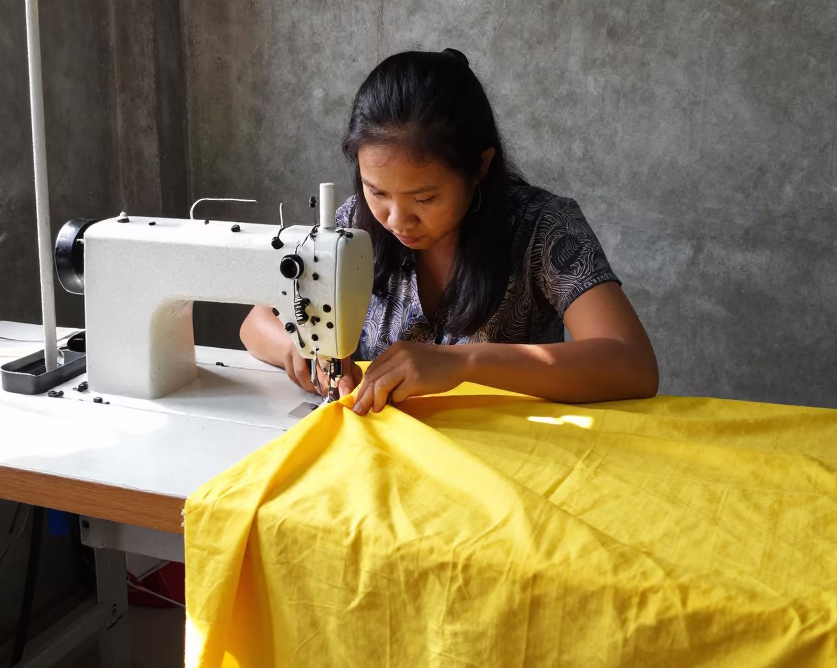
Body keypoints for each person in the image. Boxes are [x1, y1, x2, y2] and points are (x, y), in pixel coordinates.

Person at [241, 48, 658, 414]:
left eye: (424, 199)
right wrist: (299, 348)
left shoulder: (544, 227)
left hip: (511, 455)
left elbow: (632, 365)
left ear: (480, 167)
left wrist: (463, 364)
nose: (397, 219)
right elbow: (256, 321)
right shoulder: (353, 222)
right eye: (377, 191)